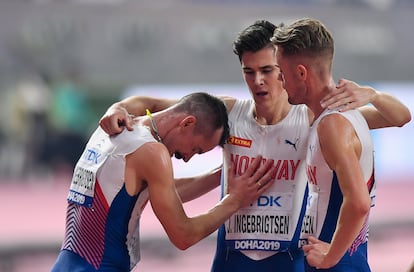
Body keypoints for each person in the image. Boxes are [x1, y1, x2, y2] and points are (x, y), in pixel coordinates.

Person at [99, 21, 410, 272]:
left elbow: (400, 117)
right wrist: (116, 108)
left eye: (267, 70)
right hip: (231, 258)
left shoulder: (313, 117)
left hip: (288, 259)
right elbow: (145, 104)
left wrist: (372, 94)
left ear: (282, 68)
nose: (258, 81)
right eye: (249, 72)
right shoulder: (227, 112)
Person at [51, 92, 276, 272]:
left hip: (67, 263)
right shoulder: (152, 152)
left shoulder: (114, 124)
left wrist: (221, 175)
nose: (188, 158)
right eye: (196, 149)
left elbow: (159, 191)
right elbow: (183, 235)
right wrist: (235, 200)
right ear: (187, 123)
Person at [271, 17, 411, 271]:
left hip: (335, 263)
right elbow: (402, 116)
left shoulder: (333, 126)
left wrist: (330, 257)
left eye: (282, 73)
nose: (280, 82)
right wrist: (375, 96)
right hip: (344, 258)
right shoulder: (336, 116)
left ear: (301, 72)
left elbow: (358, 203)